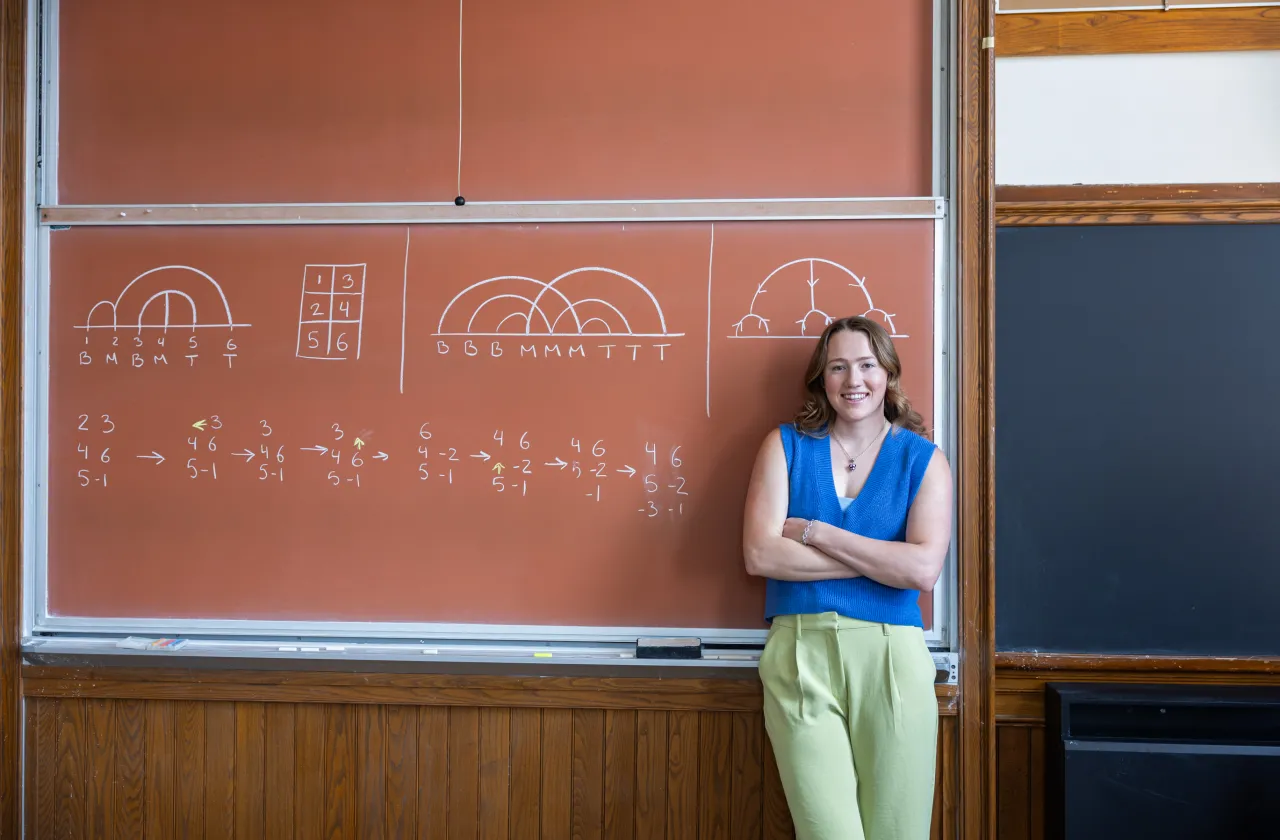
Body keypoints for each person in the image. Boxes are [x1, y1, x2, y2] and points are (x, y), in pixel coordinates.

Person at [741, 315, 952, 840]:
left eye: (866, 365)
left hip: (891, 659)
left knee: (897, 833)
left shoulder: (922, 460)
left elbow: (923, 570)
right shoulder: (785, 445)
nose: (852, 380)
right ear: (822, 377)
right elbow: (760, 555)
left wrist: (816, 532)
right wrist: (884, 560)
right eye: (838, 367)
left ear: (888, 374)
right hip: (798, 654)